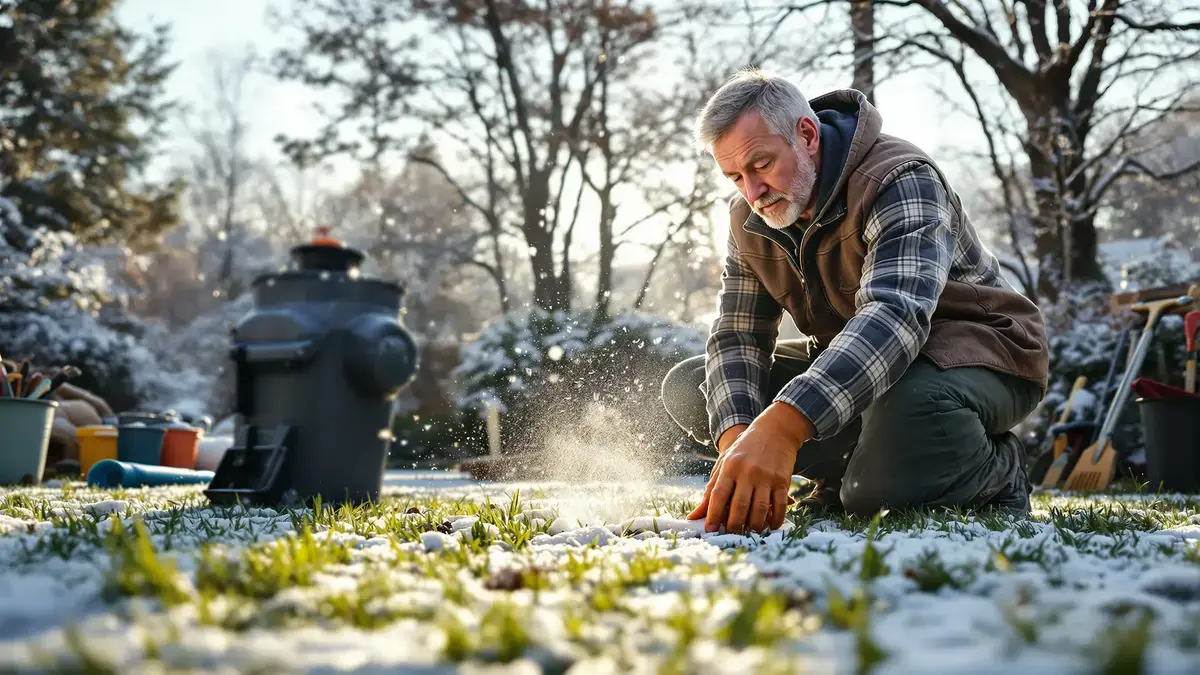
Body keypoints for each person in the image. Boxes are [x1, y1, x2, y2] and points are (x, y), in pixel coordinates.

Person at [661, 69, 1050, 533]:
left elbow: (895, 316)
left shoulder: (900, 178)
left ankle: (999, 472)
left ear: (805, 135)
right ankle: (848, 470)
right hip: (869, 369)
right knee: (693, 386)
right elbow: (737, 335)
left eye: (761, 164)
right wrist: (739, 443)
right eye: (735, 176)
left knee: (877, 488)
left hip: (981, 351)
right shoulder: (748, 216)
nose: (752, 192)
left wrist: (783, 429)